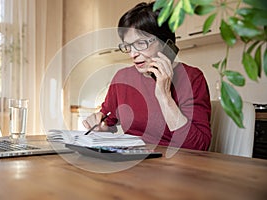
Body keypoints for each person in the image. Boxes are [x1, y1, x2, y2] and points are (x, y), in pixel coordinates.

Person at [82, 2, 211, 151]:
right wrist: (98, 125)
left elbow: (199, 146)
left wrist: (164, 97)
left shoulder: (192, 78)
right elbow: (107, 121)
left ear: (165, 43)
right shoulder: (122, 78)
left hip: (176, 163)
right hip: (131, 161)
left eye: (141, 43)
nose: (133, 54)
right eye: (128, 46)